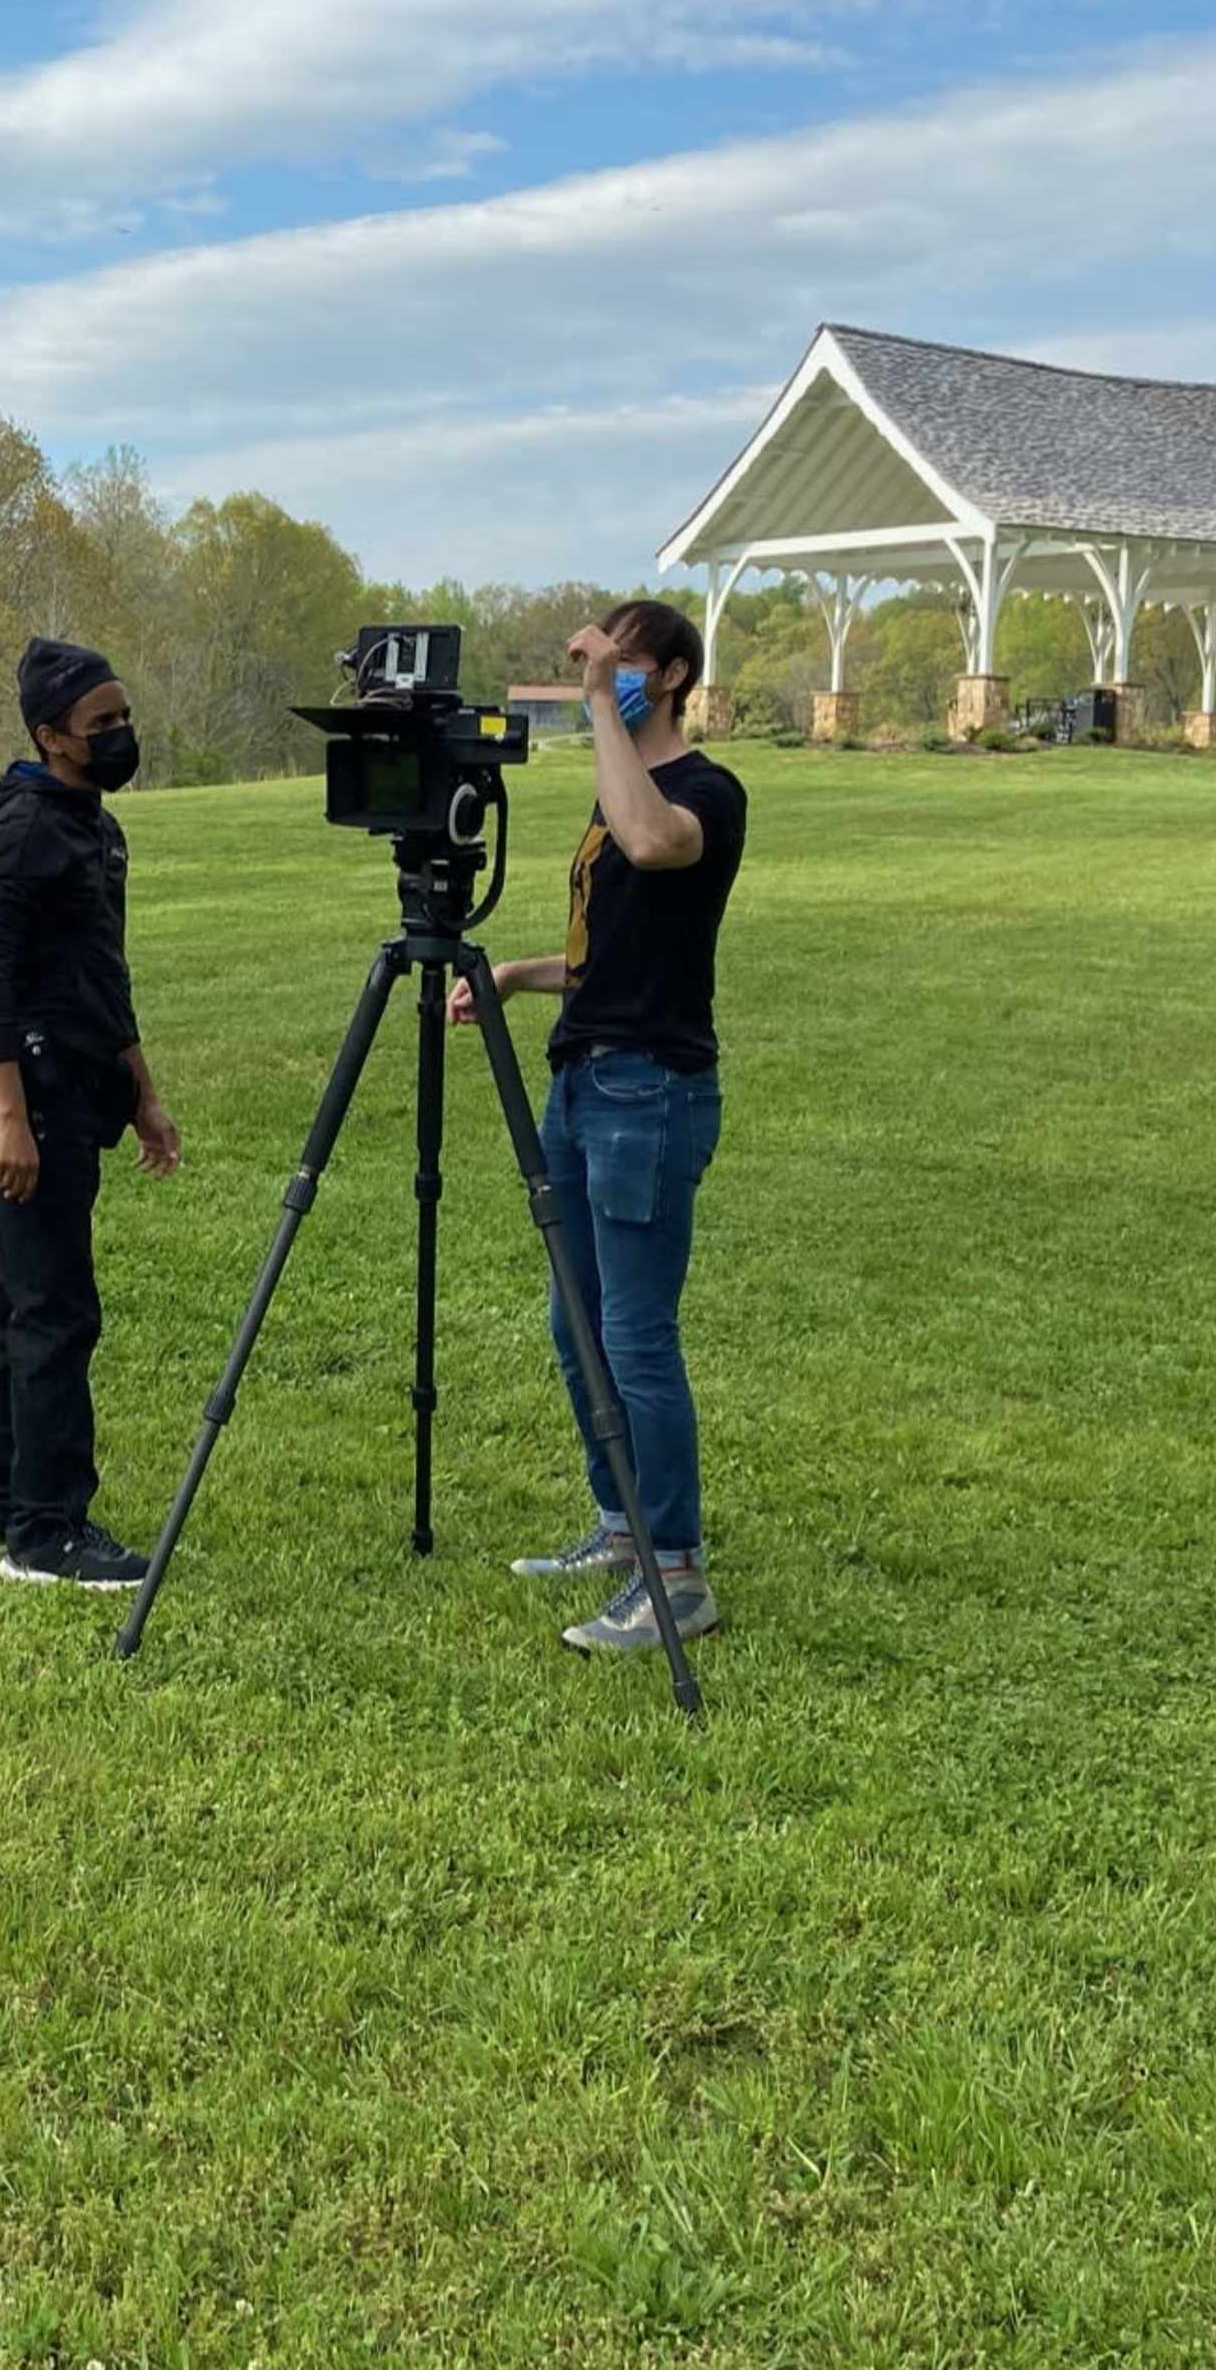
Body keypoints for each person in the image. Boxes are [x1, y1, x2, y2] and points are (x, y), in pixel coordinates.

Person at [454, 601, 748, 1653]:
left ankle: (678, 1573)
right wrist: (522, 974)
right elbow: (608, 953)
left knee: (634, 1334)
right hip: (583, 1078)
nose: (601, 668)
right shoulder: (621, 780)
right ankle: (624, 1526)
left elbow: (648, 839)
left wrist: (595, 709)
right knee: (573, 1322)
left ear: (667, 674)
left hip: (651, 1090)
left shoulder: (705, 790)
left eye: (622, 657)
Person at [0, 636, 181, 1589]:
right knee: (52, 1311)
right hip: (36, 1098)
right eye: (103, 725)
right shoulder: (27, 828)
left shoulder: (93, 823)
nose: (122, 735)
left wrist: (144, 1095)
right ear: (52, 736)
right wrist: (9, 1114)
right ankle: (47, 1532)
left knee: (18, 1302)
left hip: (84, 1084)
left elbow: (102, 975)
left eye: (125, 717)